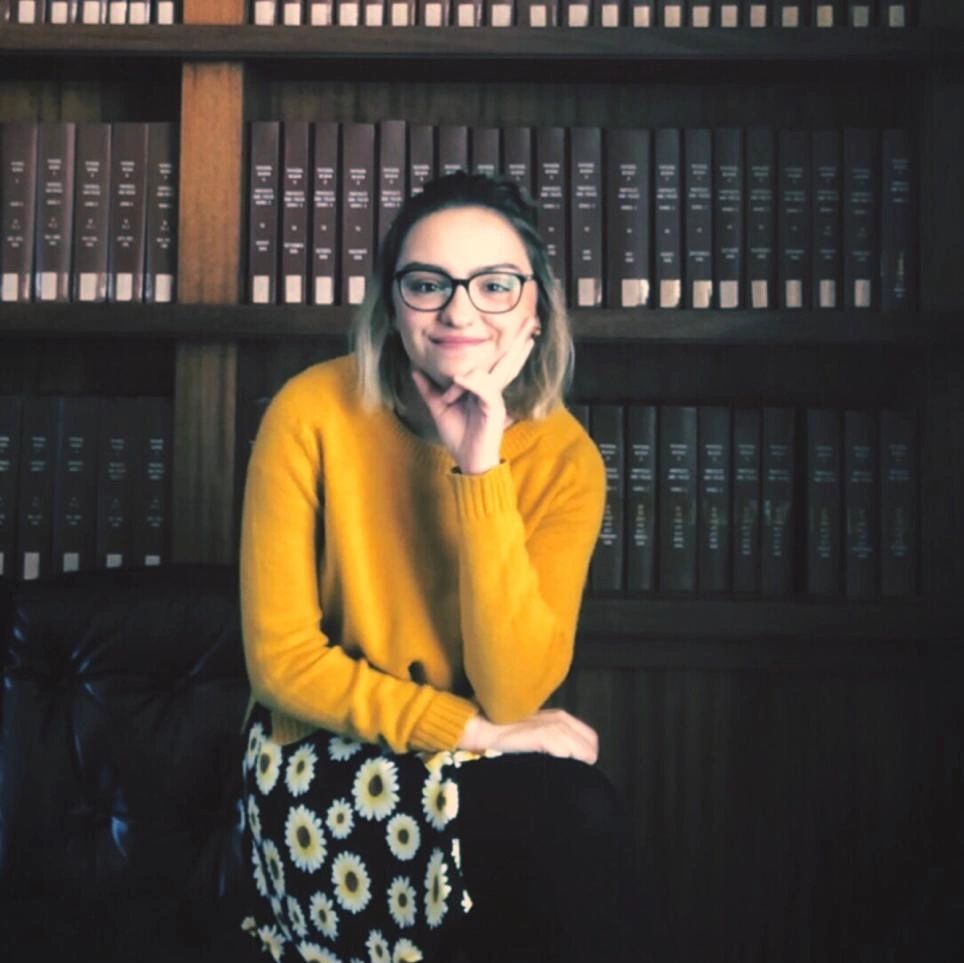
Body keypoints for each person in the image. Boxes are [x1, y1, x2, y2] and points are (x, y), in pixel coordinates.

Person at [239, 171, 637, 963]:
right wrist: (477, 733)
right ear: (392, 304)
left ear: (535, 306)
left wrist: (480, 468)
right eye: (428, 284)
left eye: (494, 285)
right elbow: (282, 665)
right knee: (558, 821)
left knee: (566, 821)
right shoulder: (309, 413)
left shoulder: (566, 459)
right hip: (321, 756)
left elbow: (516, 687)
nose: (459, 311)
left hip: (479, 761)